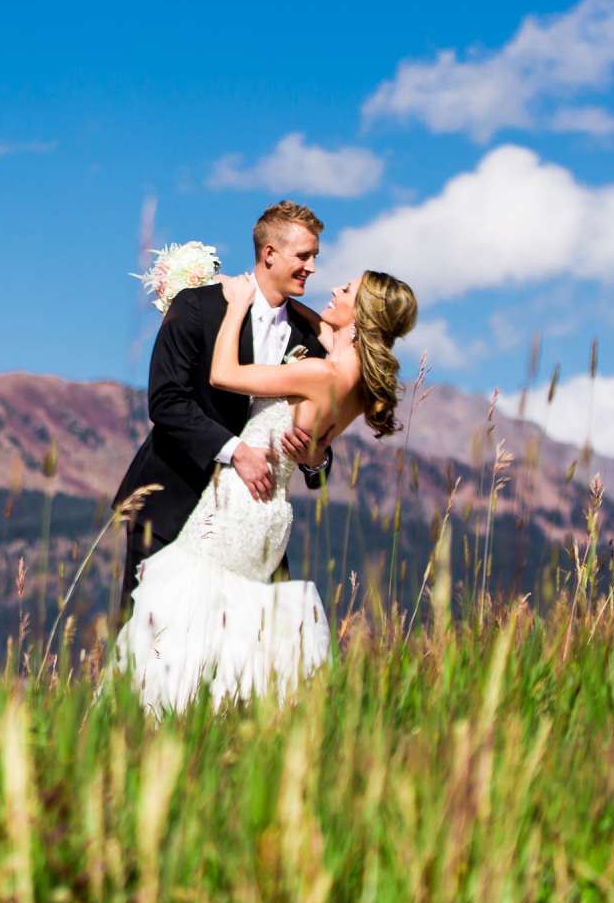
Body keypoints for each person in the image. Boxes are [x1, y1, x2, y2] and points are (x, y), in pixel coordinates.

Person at [112, 264, 419, 712]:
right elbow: (314, 443)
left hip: (238, 500)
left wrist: (237, 304)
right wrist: (276, 297)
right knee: (236, 621)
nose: (333, 286)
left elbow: (222, 374)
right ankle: (229, 715)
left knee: (183, 610)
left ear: (363, 313)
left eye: (347, 289)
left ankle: (160, 712)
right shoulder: (356, 382)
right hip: (273, 513)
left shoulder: (318, 371)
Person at [113, 200, 329, 615]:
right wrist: (237, 453)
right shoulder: (198, 307)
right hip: (174, 498)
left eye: (315, 256)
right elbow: (166, 400)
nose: (312, 267)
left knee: (259, 646)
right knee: (148, 638)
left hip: (254, 515)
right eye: (304, 256)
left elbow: (317, 428)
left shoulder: (311, 335)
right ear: (269, 254)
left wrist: (316, 461)